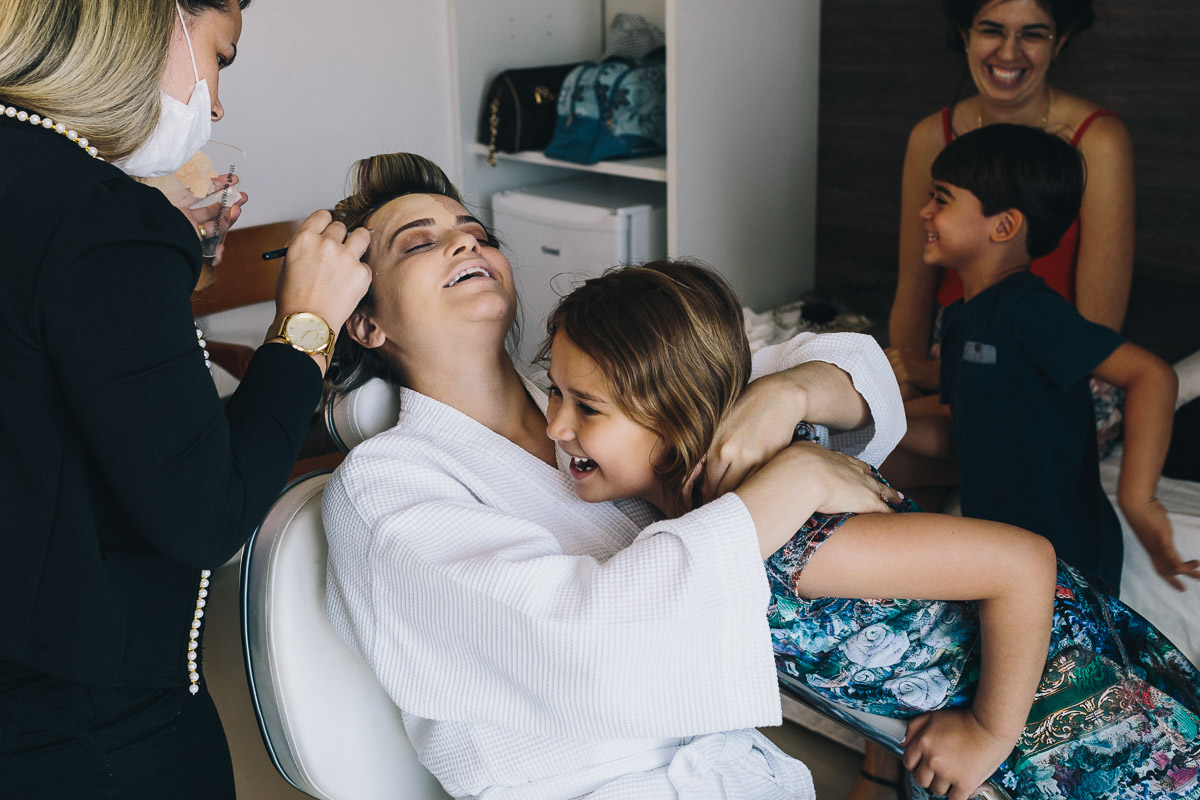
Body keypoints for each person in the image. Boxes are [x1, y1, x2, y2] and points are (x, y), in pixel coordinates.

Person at [320, 151, 907, 799]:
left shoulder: (594, 391)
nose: (465, 239)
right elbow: (583, 639)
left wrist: (788, 392)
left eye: (478, 233)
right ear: (367, 322)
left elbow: (860, 372)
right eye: (420, 243)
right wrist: (794, 480)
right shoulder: (381, 487)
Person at [541, 258, 1200, 800]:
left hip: (1078, 711)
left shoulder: (800, 545)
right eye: (554, 392)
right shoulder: (701, 515)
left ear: (674, 413)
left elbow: (1025, 563)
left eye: (587, 407)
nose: (554, 427)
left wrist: (987, 733)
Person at [0, 1, 371, 796]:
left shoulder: (52, 197)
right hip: (80, 720)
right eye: (220, 56)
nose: (218, 99)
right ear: (151, 21)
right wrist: (305, 325)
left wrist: (154, 272)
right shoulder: (97, 218)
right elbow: (206, 512)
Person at [912, 123, 1196, 597]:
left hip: (1067, 555)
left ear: (1004, 226)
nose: (923, 212)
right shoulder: (963, 317)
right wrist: (859, 418)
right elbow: (959, 414)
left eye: (941, 199)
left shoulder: (1031, 310)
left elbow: (1151, 374)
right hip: (1004, 551)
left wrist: (1139, 498)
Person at [885, 0, 1134, 496]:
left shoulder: (1096, 141)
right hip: (955, 355)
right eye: (992, 30)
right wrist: (904, 381)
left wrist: (931, 377)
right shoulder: (932, 136)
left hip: (1050, 369)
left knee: (891, 459)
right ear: (966, 34)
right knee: (862, 448)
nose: (1008, 52)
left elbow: (1097, 333)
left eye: (1033, 34)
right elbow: (914, 287)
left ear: (1059, 42)